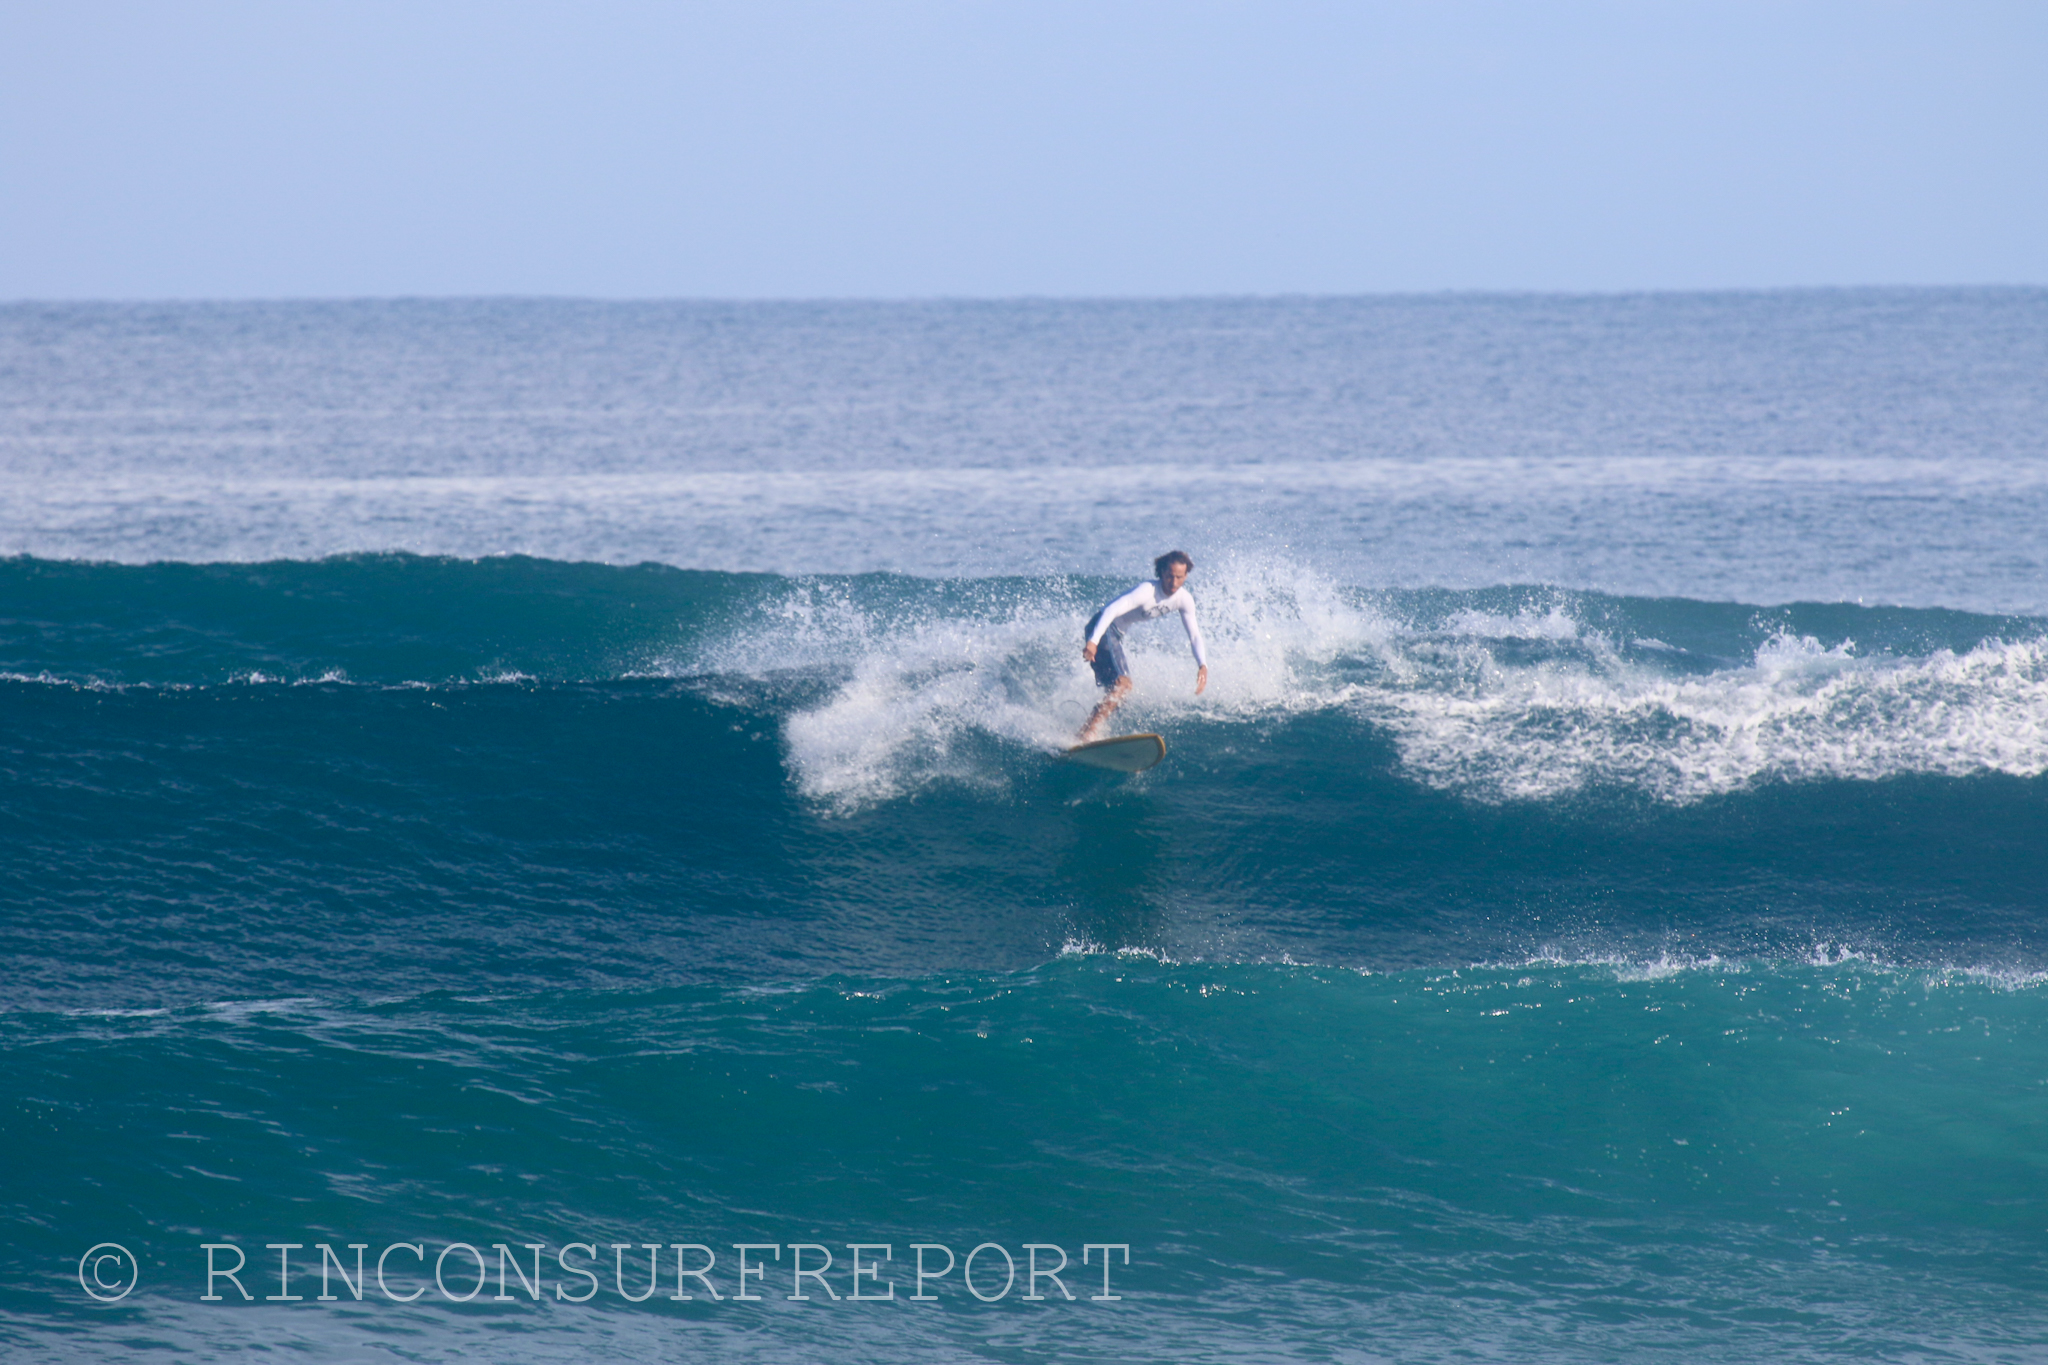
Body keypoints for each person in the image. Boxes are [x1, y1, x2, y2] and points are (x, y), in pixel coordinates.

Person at [1078, 550, 1209, 741]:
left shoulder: (1184, 599)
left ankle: (1083, 732)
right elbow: (1111, 610)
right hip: (1103, 629)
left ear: (1186, 575)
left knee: (1117, 694)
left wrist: (1202, 664)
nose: (1173, 583)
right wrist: (1093, 641)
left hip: (1114, 635)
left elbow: (1195, 635)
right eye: (1169, 576)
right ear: (1161, 573)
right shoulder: (1147, 590)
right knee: (1123, 686)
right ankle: (1090, 733)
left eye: (1179, 577)